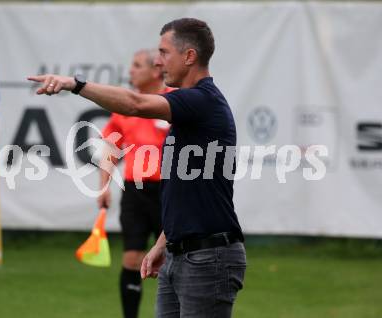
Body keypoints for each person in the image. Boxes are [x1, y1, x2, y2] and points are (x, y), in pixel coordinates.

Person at [28, 17, 246, 317]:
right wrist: (162, 244)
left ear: (189, 56)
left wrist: (74, 84)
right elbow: (187, 195)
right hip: (179, 252)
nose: (159, 61)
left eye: (164, 52)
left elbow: (135, 104)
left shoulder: (201, 100)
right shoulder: (189, 110)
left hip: (208, 258)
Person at [98, 48, 172, 318]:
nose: (130, 70)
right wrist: (104, 185)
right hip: (135, 191)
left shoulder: (173, 102)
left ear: (156, 70)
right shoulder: (124, 108)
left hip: (170, 192)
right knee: (132, 258)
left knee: (174, 261)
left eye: (137, 65)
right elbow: (111, 149)